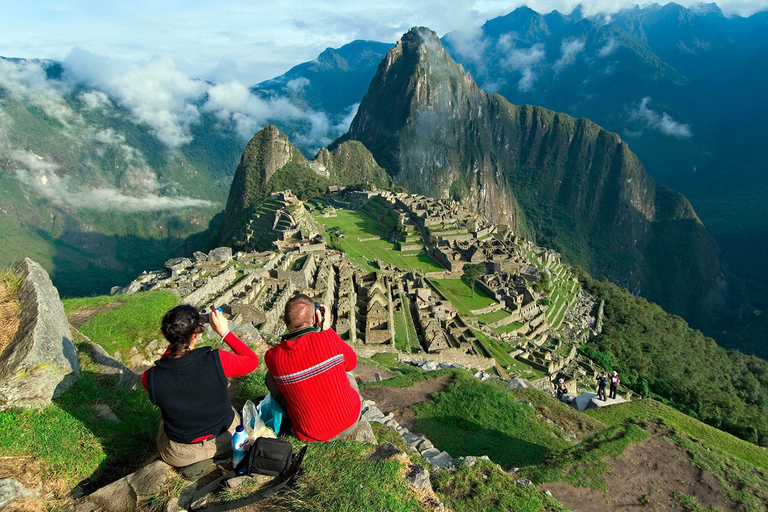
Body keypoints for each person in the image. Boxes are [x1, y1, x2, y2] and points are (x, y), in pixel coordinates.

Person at [142, 305, 259, 479]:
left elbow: (169, 364)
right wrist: (224, 333)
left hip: (180, 454)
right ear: (196, 333)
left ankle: (198, 463)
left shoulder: (150, 378)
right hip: (227, 438)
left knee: (163, 420)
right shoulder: (217, 360)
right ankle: (218, 457)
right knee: (231, 410)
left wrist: (176, 342)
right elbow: (252, 360)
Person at [264, 294, 363, 442]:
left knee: (270, 377)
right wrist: (328, 329)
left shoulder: (273, 356)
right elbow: (352, 363)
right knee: (347, 372)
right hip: (350, 420)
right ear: (313, 319)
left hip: (311, 434)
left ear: (284, 321)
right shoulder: (327, 339)